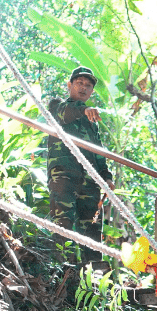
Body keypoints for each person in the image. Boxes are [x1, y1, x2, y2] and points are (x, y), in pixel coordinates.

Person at [45, 66, 112, 264]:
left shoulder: (92, 122)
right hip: (64, 175)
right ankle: (62, 268)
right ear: (70, 85)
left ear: (92, 91)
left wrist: (106, 176)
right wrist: (84, 110)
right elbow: (66, 113)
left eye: (88, 86)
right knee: (63, 222)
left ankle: (94, 272)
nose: (83, 88)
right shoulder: (57, 105)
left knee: (92, 227)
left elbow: (98, 150)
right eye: (79, 83)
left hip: (90, 180)